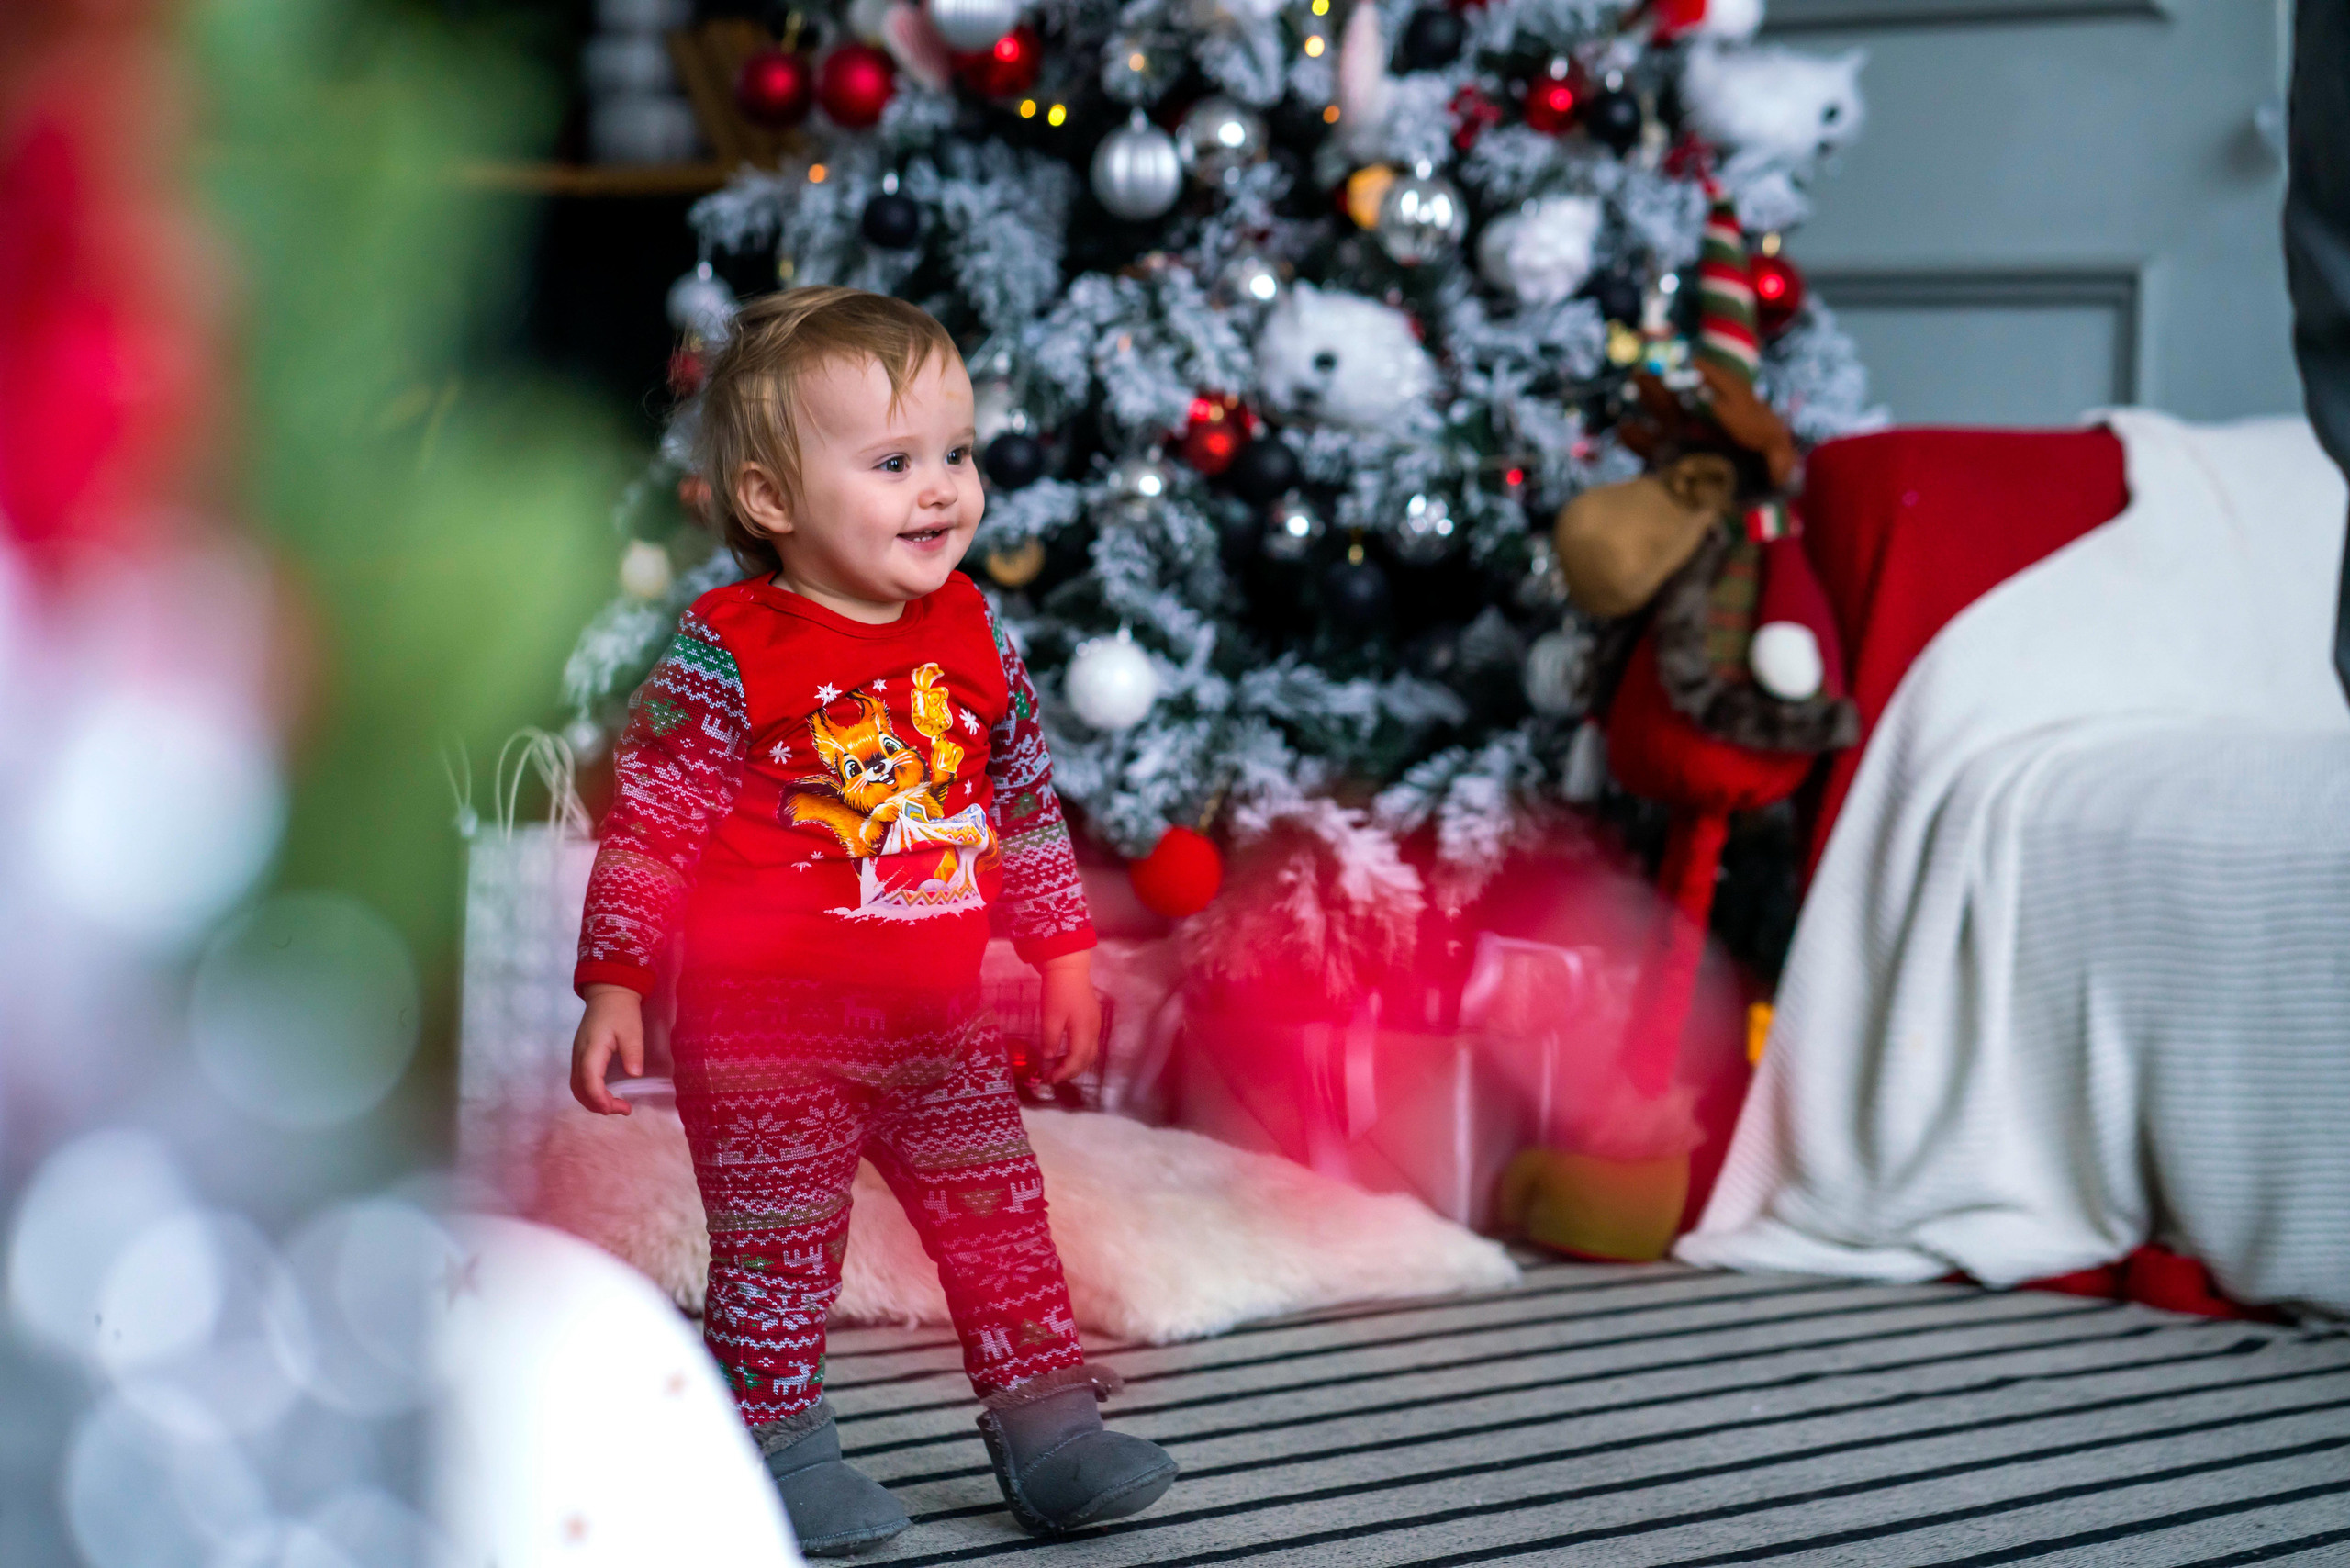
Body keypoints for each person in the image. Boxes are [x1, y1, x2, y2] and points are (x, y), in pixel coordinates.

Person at [567, 286, 1177, 1554]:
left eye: (957, 453)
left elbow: (1023, 801)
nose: (942, 489)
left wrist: (1062, 953)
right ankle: (769, 1445)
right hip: (767, 1031)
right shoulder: (728, 649)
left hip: (936, 1021)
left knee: (999, 1217)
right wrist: (616, 982)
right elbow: (654, 824)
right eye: (894, 462)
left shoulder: (974, 630)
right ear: (772, 501)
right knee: (783, 1252)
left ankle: (1051, 1427)